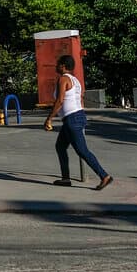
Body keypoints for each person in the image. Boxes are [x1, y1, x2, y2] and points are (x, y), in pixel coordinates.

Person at [45, 55, 114, 190]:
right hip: (76, 116)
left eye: (58, 64)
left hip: (72, 118)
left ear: (63, 66)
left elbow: (60, 100)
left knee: (82, 150)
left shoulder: (63, 79)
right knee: (60, 146)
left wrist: (49, 118)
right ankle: (65, 179)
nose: (56, 66)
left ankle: (104, 175)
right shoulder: (75, 80)